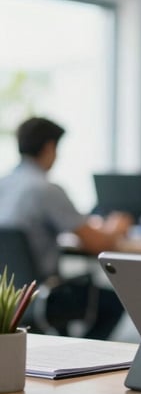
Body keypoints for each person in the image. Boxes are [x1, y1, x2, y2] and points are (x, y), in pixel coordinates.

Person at [0, 117, 130, 339]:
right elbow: (96, 243)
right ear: (50, 147)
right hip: (43, 295)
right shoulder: (46, 189)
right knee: (115, 301)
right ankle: (82, 357)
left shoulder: (4, 184)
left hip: (8, 299)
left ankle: (62, 348)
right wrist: (117, 228)